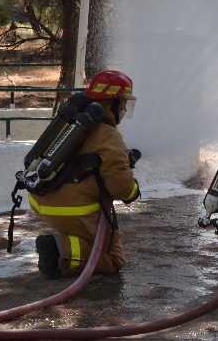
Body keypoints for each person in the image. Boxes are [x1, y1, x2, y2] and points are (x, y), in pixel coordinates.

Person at [30, 69, 141, 278]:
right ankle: (57, 249)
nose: (125, 110)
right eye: (124, 104)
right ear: (114, 104)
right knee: (114, 258)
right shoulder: (109, 135)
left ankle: (67, 243)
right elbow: (121, 188)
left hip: (41, 199)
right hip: (72, 210)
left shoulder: (73, 122)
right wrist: (134, 191)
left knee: (88, 230)